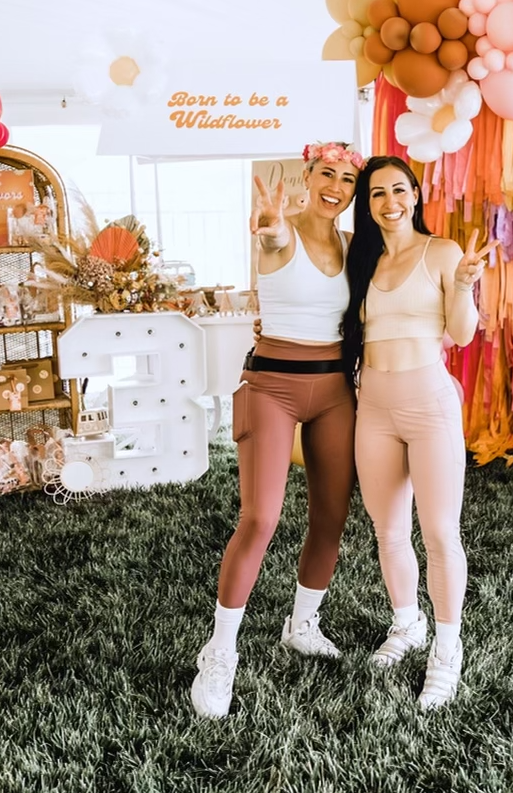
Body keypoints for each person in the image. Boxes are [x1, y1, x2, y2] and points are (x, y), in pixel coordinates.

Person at [190, 142, 365, 719]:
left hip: (334, 390)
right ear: (308, 177)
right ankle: (220, 652)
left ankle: (303, 623)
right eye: (326, 174)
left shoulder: (351, 246)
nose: (336, 185)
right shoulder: (281, 232)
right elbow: (269, 237)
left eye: (347, 177)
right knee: (260, 517)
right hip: (272, 386)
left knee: (331, 517)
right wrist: (268, 225)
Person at [340, 155, 497, 710]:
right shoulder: (361, 261)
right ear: (368, 203)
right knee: (387, 531)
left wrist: (462, 286)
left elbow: (461, 333)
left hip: (428, 405)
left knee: (439, 533)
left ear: (416, 194)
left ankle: (447, 650)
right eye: (377, 193)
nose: (390, 202)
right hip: (374, 407)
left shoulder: (442, 252)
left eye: (399, 190)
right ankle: (407, 625)